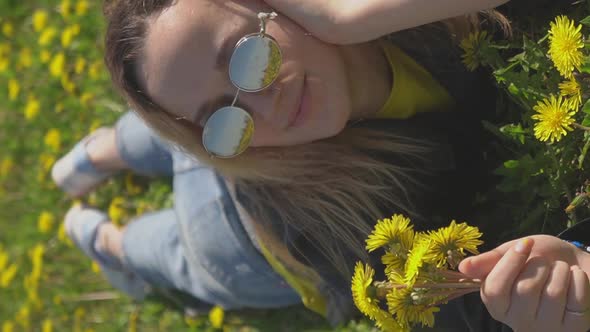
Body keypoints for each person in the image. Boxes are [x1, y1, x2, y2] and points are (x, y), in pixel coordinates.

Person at [51, 0, 590, 330]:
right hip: (242, 240)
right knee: (179, 252)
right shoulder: (334, 227)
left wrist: (350, 15)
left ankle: (116, 146)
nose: (265, 103)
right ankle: (107, 240)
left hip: (237, 151)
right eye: (219, 114)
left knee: (183, 104)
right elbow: (448, 310)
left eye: (247, 55)